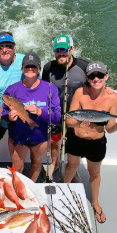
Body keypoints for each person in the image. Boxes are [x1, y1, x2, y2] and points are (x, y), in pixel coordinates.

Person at [64, 61, 117, 223]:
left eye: (100, 75)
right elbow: (69, 121)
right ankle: (63, 188)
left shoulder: (113, 98)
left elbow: (110, 129)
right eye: (92, 76)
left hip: (96, 142)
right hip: (76, 139)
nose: (96, 79)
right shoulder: (80, 93)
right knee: (71, 165)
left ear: (106, 76)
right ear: (87, 78)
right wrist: (78, 123)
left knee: (95, 173)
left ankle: (95, 202)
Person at [1, 54, 61, 182]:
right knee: (17, 168)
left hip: (40, 137)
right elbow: (3, 113)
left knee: (36, 163)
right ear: (22, 69)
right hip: (18, 136)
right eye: (27, 66)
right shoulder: (12, 90)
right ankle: (19, 191)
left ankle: (32, 187)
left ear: (39, 69)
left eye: (33, 66)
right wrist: (9, 117)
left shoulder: (50, 88)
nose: (30, 69)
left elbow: (56, 118)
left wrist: (40, 111)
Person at [42, 35, 88, 171]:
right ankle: (55, 164)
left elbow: (96, 84)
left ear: (72, 49)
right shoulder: (48, 68)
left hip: (76, 115)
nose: (61, 53)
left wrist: (106, 90)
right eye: (57, 50)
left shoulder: (84, 67)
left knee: (74, 142)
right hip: (55, 115)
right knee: (55, 142)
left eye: (64, 49)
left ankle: (72, 167)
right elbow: (44, 89)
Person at [0, 32, 26, 163]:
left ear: (14, 47)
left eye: (9, 45)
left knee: (18, 160)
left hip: (19, 115)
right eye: (1, 47)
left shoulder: (26, 62)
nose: (5, 49)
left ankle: (17, 179)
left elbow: (36, 85)